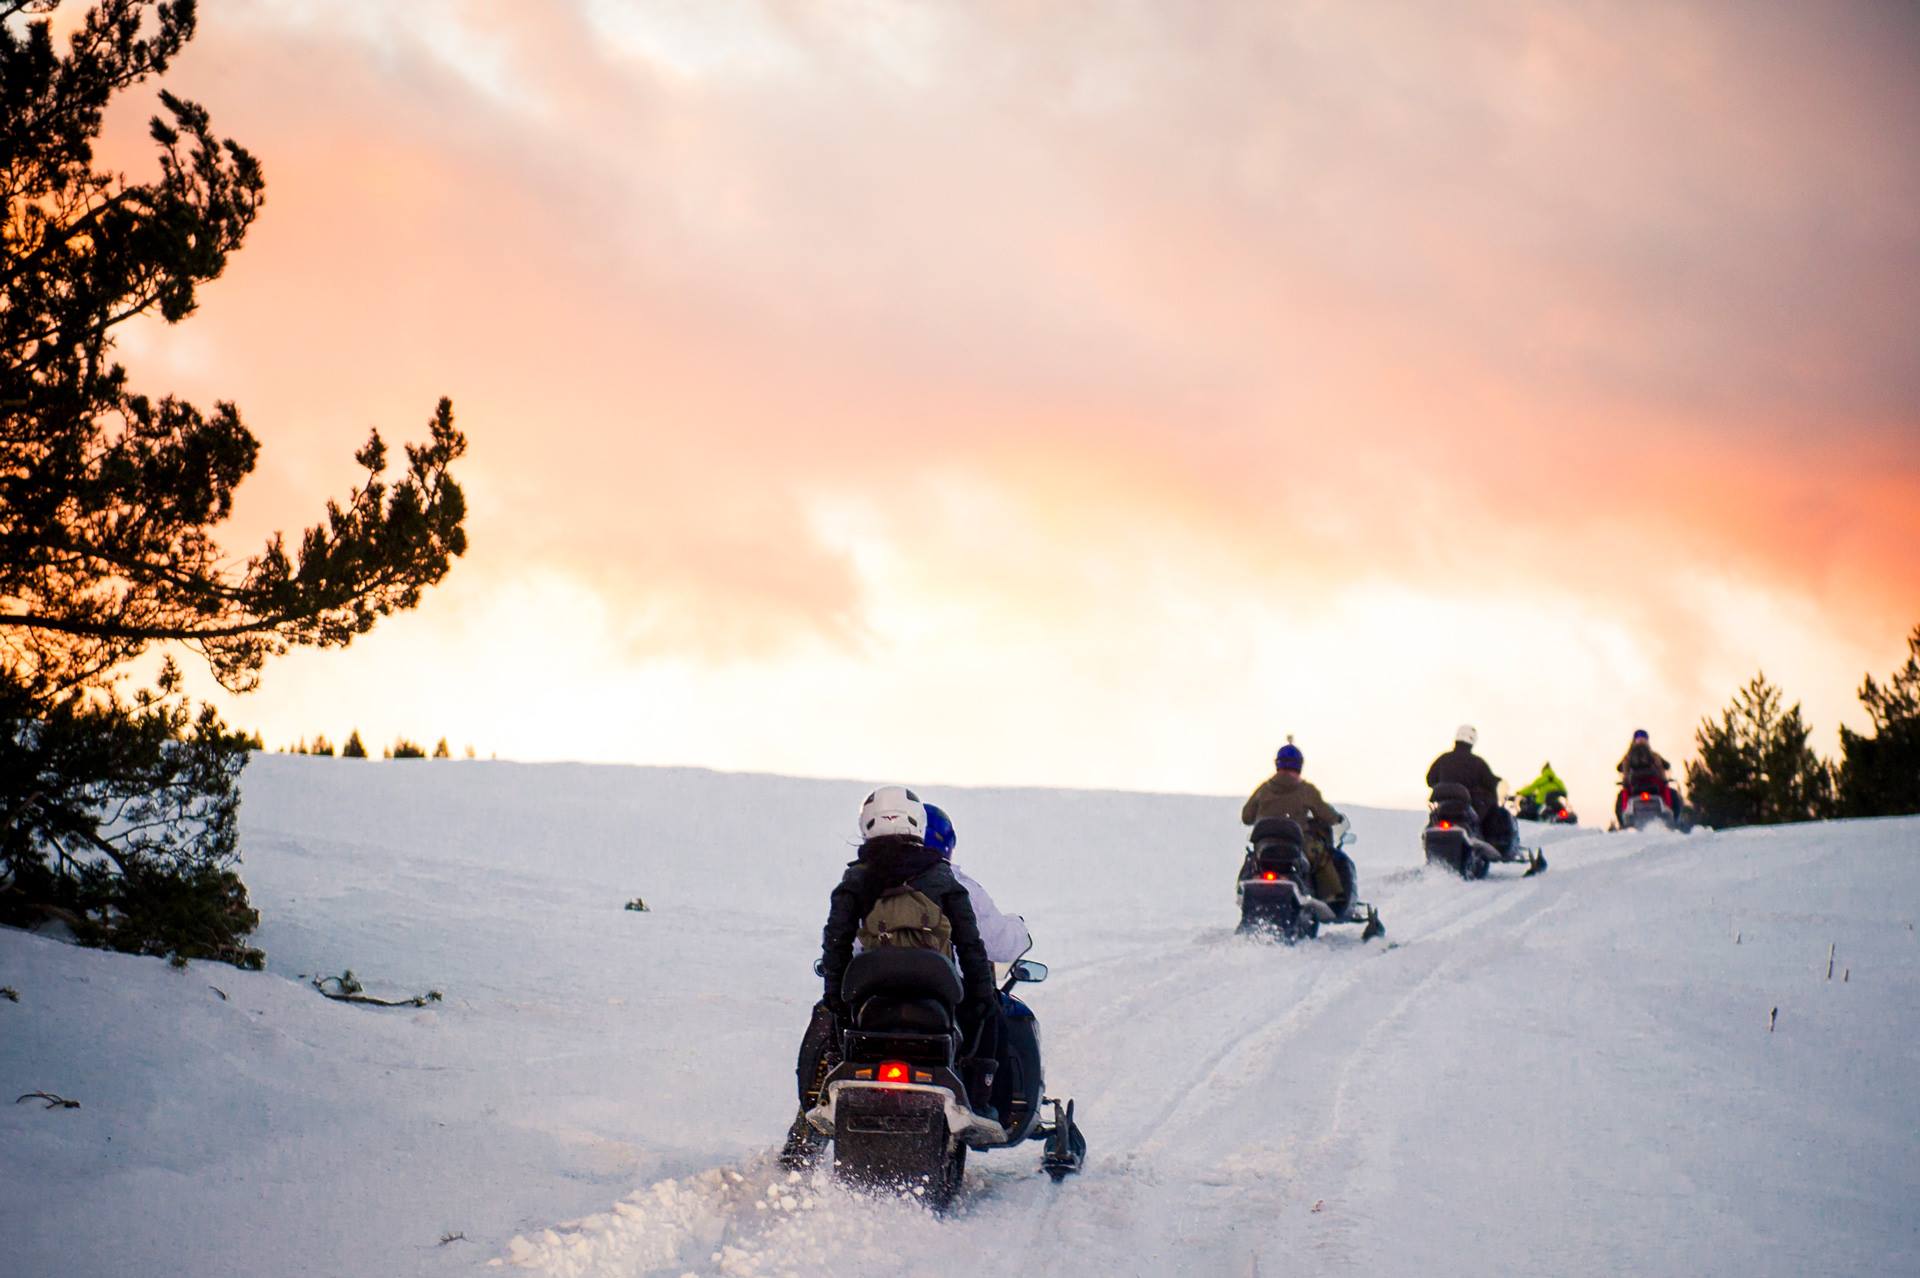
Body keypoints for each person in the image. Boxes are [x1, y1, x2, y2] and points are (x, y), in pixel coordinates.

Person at [782, 787, 1006, 1166]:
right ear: (916, 822)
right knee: (991, 1019)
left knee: (829, 1031)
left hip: (872, 991)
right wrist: (982, 998)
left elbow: (835, 944)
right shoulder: (944, 879)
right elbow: (971, 948)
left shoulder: (855, 880)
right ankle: (980, 1100)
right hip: (936, 989)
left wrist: (836, 998)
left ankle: (810, 1119)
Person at [1241, 739, 1355, 913]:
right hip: (1297, 844)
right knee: (1323, 856)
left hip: (1265, 845)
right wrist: (1336, 818)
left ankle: (1243, 890)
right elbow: (1325, 813)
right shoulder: (1305, 789)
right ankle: (1333, 899)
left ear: (1277, 764)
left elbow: (1247, 816)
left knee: (1252, 860)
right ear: (1299, 765)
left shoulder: (1264, 789)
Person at [1426, 724, 1515, 850]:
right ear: (1472, 740)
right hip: (1469, 805)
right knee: (1493, 810)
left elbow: (1430, 779)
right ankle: (1494, 843)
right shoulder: (1477, 762)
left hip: (1443, 805)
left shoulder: (1443, 759)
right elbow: (1489, 782)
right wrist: (1496, 784)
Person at [1616, 729, 1681, 818]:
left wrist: (1624, 778)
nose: (1641, 741)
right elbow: (1667, 765)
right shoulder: (1654, 755)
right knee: (1672, 795)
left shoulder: (1628, 756)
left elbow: (1619, 768)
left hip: (1635, 786)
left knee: (1622, 797)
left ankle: (1623, 818)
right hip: (1654, 785)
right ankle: (1673, 817)